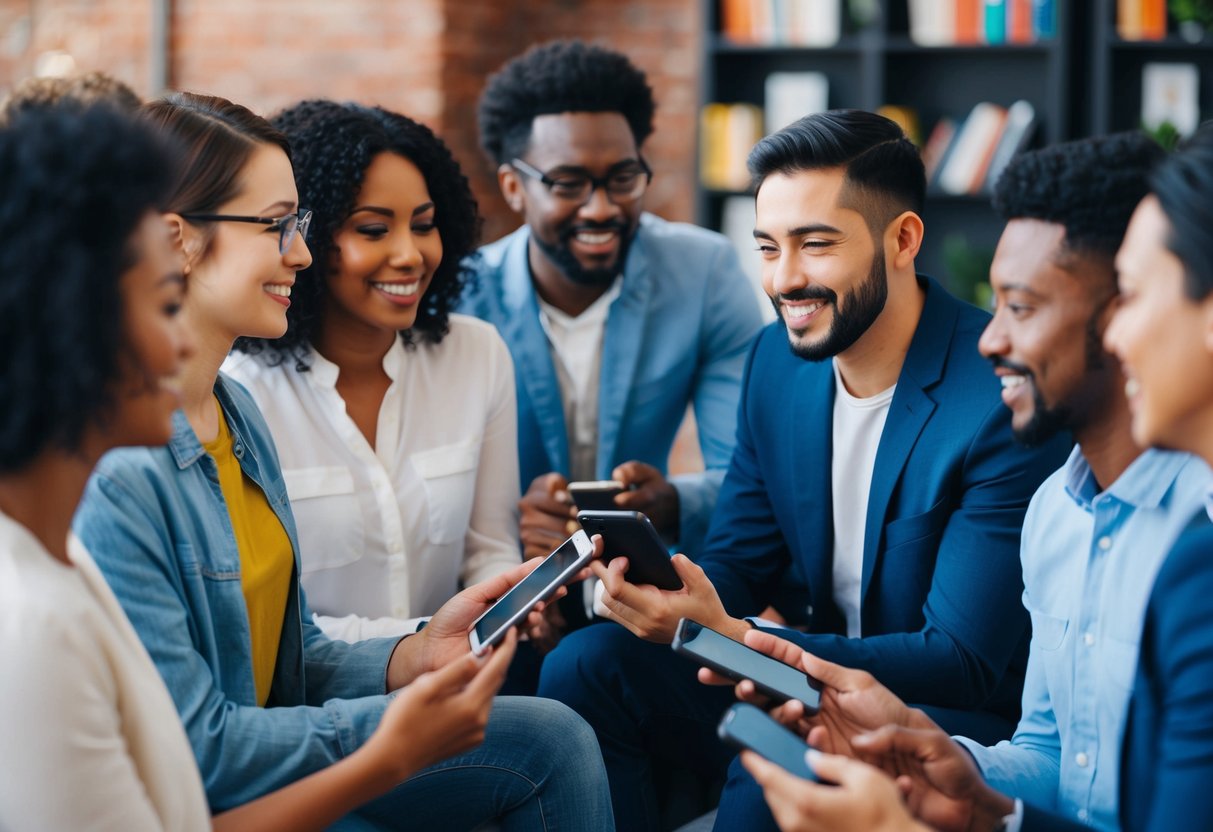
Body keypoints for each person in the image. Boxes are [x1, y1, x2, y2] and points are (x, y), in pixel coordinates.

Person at [71, 91, 614, 831]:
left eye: (298, 225)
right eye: (276, 227)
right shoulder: (120, 467)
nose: (301, 250)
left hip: (285, 745)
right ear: (178, 241)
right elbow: (199, 749)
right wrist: (384, 737)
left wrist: (416, 654)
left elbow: (293, 660)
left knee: (552, 734)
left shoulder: (236, 416)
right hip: (212, 793)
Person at [537, 108, 1069, 831]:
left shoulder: (995, 392)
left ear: (903, 239)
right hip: (795, 669)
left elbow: (961, 659)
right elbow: (739, 559)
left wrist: (727, 634)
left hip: (942, 707)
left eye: (814, 246)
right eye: (766, 247)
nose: (784, 278)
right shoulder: (775, 365)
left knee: (783, 763)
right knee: (585, 663)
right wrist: (667, 592)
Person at [735, 123, 1213, 832]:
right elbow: (1053, 759)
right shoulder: (1058, 512)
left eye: (1019, 308)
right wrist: (959, 775)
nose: (988, 339)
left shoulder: (1194, 553)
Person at [460, 40, 764, 590]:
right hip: (499, 587)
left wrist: (674, 501)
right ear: (513, 186)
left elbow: (751, 473)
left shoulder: (704, 273)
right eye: (568, 184)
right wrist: (504, 524)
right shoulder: (462, 295)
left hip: (642, 582)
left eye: (622, 179)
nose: (600, 208)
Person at [225, 100, 521, 642]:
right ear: (306, 238)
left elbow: (490, 549)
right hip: (316, 703)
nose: (410, 254)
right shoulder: (241, 392)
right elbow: (271, 627)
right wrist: (425, 640)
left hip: (459, 680)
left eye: (425, 225)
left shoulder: (477, 355)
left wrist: (508, 607)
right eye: (373, 229)